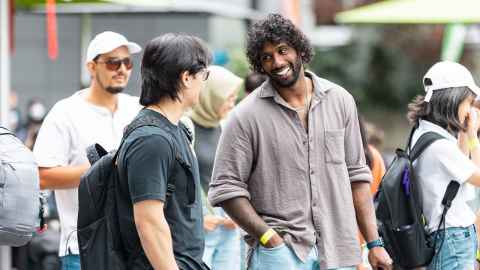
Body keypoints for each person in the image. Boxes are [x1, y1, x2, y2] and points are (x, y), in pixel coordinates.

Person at [208, 13, 392, 270]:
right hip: (281, 254)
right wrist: (267, 237)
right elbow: (225, 188)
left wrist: (374, 244)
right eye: (267, 57)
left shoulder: (340, 101)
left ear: (300, 50)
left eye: (283, 50)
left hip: (338, 251)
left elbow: (358, 178)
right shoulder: (245, 116)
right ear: (260, 65)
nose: (277, 61)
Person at [33, 31, 142, 270]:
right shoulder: (65, 113)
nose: (122, 69)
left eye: (127, 62)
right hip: (83, 249)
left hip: (134, 247)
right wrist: (103, 170)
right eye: (113, 62)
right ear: (92, 67)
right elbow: (41, 176)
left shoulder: (137, 108)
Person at [115, 33, 211, 270]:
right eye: (204, 75)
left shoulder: (173, 130)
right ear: (186, 77)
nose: (204, 83)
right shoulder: (151, 140)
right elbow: (149, 222)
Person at [407, 61, 480, 270]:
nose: (469, 110)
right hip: (453, 237)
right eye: (468, 103)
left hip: (448, 236)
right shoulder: (439, 146)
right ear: (453, 100)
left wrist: (465, 133)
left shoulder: (424, 134)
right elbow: (478, 177)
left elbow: (460, 170)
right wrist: (473, 136)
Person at [189, 65, 242, 269]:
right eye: (227, 98)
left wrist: (238, 213)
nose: (232, 104)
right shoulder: (186, 126)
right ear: (211, 96)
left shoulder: (226, 125)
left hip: (229, 221)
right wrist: (199, 217)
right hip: (200, 223)